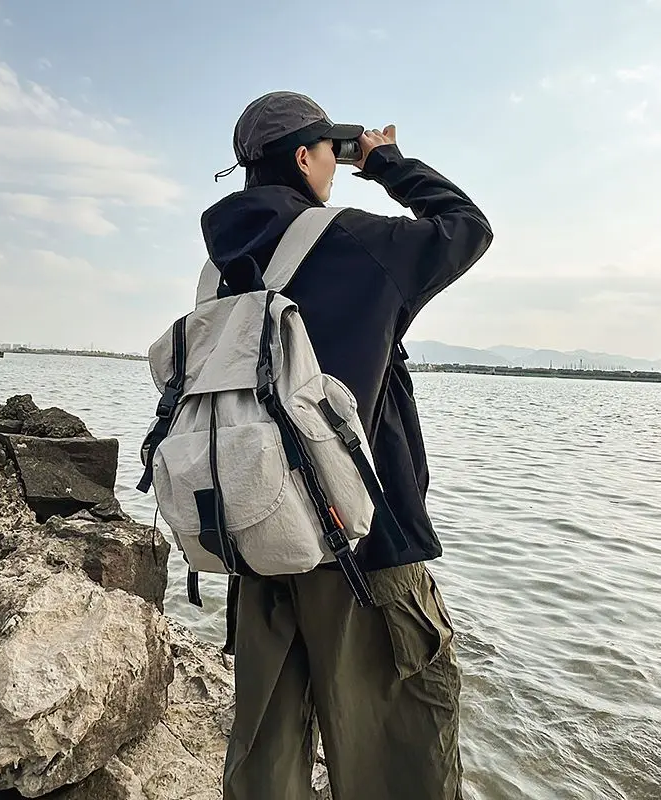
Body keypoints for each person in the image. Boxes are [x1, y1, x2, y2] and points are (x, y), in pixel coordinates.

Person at [200, 91, 493, 800]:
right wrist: (387, 161)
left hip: (257, 542)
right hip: (363, 551)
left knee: (266, 765)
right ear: (305, 157)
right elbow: (466, 227)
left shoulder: (217, 272)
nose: (336, 165)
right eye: (330, 152)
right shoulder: (358, 240)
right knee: (400, 760)